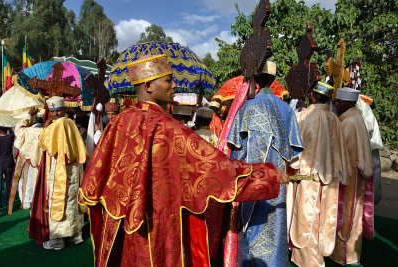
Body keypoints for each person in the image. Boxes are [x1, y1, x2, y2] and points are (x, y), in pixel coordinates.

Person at [78, 54, 289, 267]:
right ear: (149, 86)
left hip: (120, 225)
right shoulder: (169, 129)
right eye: (168, 80)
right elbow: (216, 170)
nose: (174, 85)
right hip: (158, 228)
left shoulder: (119, 122)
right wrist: (267, 174)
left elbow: (95, 175)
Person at [225, 61, 304, 266]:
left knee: (250, 226)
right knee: (275, 223)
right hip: (278, 180)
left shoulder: (247, 108)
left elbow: (236, 152)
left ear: (256, 78)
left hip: (252, 177)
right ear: (273, 79)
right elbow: (294, 153)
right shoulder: (287, 110)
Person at [286, 82, 350, 267]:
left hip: (305, 176)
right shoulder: (334, 120)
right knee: (322, 218)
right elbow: (341, 151)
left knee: (305, 218)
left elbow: (293, 152)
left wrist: (291, 167)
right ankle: (316, 255)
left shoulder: (302, 116)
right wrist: (343, 173)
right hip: (329, 177)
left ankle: (308, 259)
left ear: (312, 96)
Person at [330, 87, 374, 265]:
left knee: (347, 215)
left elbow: (343, 153)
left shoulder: (350, 122)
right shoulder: (353, 118)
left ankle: (345, 255)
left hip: (349, 177)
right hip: (351, 175)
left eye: (339, 102)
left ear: (349, 103)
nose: (336, 105)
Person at [39, 96, 88, 250]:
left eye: (58, 110)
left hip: (58, 169)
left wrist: (45, 128)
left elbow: (46, 145)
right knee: (72, 201)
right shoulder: (71, 123)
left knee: (58, 201)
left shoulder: (55, 125)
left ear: (63, 110)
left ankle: (57, 241)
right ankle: (75, 235)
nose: (56, 113)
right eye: (53, 110)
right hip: (73, 169)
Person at [8, 107, 43, 213]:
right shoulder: (47, 131)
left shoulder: (26, 130)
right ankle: (36, 201)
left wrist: (28, 115)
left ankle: (26, 201)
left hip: (26, 159)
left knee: (25, 180)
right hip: (40, 161)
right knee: (37, 181)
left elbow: (18, 128)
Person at [0, 127, 15, 210]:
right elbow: (13, 131)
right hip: (8, 163)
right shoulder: (10, 137)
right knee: (8, 184)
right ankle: (7, 202)